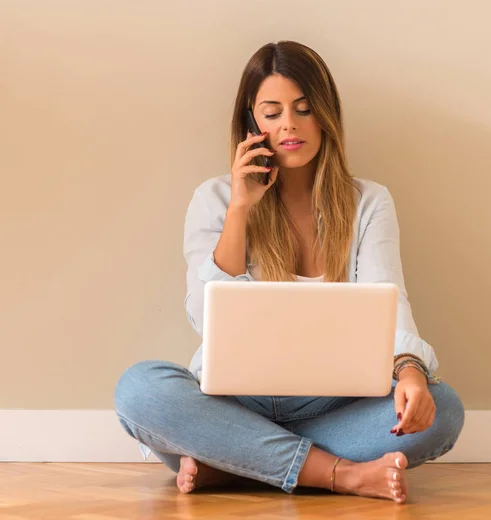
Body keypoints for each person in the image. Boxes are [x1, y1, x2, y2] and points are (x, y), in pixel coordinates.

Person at [114, 40, 464, 505]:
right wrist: (241, 208)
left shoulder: (369, 201)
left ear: (325, 114)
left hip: (335, 404)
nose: (289, 126)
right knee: (140, 390)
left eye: (303, 109)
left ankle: (235, 462)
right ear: (251, 121)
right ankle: (340, 474)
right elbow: (206, 318)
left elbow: (390, 300)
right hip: (233, 403)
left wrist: (412, 372)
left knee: (444, 412)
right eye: (272, 112)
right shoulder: (214, 199)